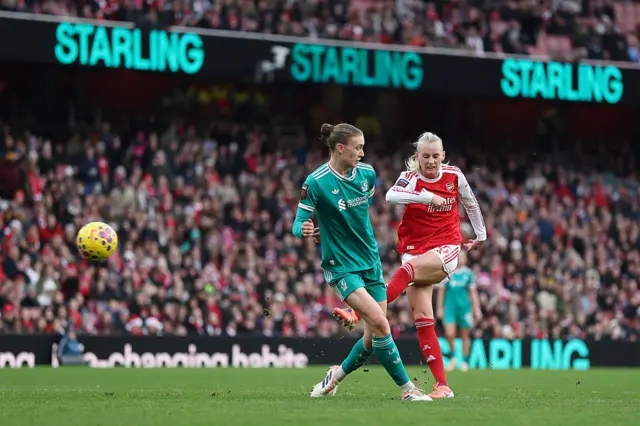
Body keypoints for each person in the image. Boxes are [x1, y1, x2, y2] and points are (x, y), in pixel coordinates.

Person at [332, 131, 486, 399]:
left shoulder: (454, 176)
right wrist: (427, 197)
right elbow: (391, 196)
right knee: (422, 320)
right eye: (425, 156)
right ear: (418, 156)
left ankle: (357, 313)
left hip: (446, 248)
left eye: (436, 156)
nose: (431, 162)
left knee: (407, 272)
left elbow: (470, 202)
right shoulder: (409, 178)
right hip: (415, 249)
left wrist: (480, 235)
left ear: (443, 156)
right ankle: (443, 386)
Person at [292, 123, 431, 402]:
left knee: (371, 340)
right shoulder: (317, 181)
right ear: (340, 148)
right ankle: (408, 390)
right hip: (341, 265)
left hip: (370, 261)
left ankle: (334, 377)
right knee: (381, 324)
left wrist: (332, 228)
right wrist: (306, 229)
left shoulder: (367, 174)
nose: (363, 153)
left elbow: (354, 216)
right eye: (358, 147)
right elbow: (297, 224)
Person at [436, 250, 482, 372]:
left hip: (465, 308)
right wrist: (439, 308)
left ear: (466, 259)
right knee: (449, 333)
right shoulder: (448, 273)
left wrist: (476, 309)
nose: (461, 259)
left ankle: (465, 362)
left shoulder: (469, 274)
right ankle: (453, 356)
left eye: (463, 257)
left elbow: (473, 293)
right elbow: (441, 292)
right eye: (459, 256)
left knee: (464, 335)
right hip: (449, 307)